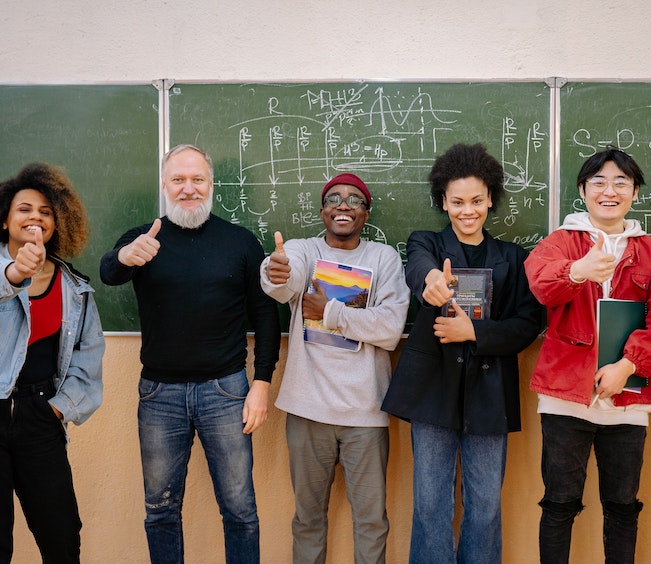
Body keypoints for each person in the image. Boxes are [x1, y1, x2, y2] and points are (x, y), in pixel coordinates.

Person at [100, 144, 280, 564]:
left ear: (211, 185)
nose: (188, 189)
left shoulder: (240, 241)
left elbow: (266, 317)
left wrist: (262, 384)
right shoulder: (144, 238)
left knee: (240, 510)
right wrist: (126, 256)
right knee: (160, 511)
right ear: (164, 186)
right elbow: (110, 272)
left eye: (197, 179)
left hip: (227, 392)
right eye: (178, 180)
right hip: (159, 396)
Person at [381, 143, 543, 563]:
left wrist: (474, 330)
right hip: (433, 391)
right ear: (443, 202)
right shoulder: (426, 244)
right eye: (457, 202)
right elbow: (418, 267)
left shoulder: (514, 257)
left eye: (476, 200)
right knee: (431, 505)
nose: (467, 211)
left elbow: (528, 324)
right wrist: (432, 279)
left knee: (485, 506)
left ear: (490, 198)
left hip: (489, 396)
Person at [524, 147, 651, 563]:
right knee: (559, 503)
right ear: (582, 190)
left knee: (622, 507)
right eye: (598, 181)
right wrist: (577, 271)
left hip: (628, 401)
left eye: (620, 182)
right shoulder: (561, 242)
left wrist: (628, 365)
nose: (608, 191)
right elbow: (542, 285)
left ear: (634, 192)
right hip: (564, 398)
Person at [260, 172, 409, 564]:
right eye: (334, 198)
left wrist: (330, 311)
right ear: (323, 210)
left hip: (366, 414)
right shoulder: (304, 250)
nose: (344, 205)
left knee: (371, 521)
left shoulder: (384, 258)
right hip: (308, 411)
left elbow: (391, 329)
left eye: (355, 199)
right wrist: (275, 271)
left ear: (366, 212)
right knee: (308, 519)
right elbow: (282, 276)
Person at [0, 163, 104, 563]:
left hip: (40, 417)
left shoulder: (75, 288)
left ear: (58, 222)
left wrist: (59, 409)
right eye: (24, 209)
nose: (35, 217)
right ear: (5, 219)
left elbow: (88, 355)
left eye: (45, 211)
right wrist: (14, 273)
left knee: (61, 535)